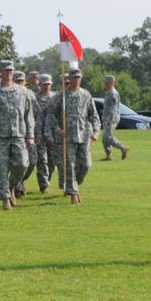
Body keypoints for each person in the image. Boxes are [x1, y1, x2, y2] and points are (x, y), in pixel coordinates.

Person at [0, 60, 35, 210]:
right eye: (5, 70)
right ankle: (5, 198)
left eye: (10, 70)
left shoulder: (23, 92)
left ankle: (11, 186)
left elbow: (28, 116)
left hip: (19, 135)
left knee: (22, 164)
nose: (8, 73)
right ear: (1, 73)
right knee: (2, 168)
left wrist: (30, 136)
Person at [46, 69, 100, 204]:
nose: (76, 80)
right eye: (74, 77)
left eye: (78, 77)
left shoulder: (86, 95)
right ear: (69, 78)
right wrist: (58, 130)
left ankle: (74, 183)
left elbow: (94, 116)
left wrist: (95, 132)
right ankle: (73, 193)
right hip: (66, 137)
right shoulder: (60, 97)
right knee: (69, 165)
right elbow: (50, 116)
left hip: (83, 136)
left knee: (85, 165)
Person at [13, 70, 39, 197]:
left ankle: (20, 180)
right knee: (17, 163)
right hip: (13, 135)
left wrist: (36, 134)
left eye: (21, 81)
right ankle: (16, 186)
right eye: (17, 81)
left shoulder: (30, 95)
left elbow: (36, 115)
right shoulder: (9, 94)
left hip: (28, 134)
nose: (19, 83)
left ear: (25, 82)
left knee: (32, 161)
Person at [34, 74, 57, 193]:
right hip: (38, 134)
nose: (46, 86)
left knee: (52, 161)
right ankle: (44, 185)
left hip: (52, 135)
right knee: (42, 160)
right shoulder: (34, 98)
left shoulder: (55, 97)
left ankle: (48, 179)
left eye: (48, 84)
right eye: (44, 84)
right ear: (39, 84)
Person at [101, 75, 130, 161]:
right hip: (107, 118)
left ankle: (123, 147)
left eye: (107, 82)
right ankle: (109, 155)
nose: (105, 83)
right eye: (105, 82)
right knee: (105, 137)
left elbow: (113, 108)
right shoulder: (108, 92)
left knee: (108, 137)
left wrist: (110, 120)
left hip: (111, 118)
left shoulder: (113, 93)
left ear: (112, 83)